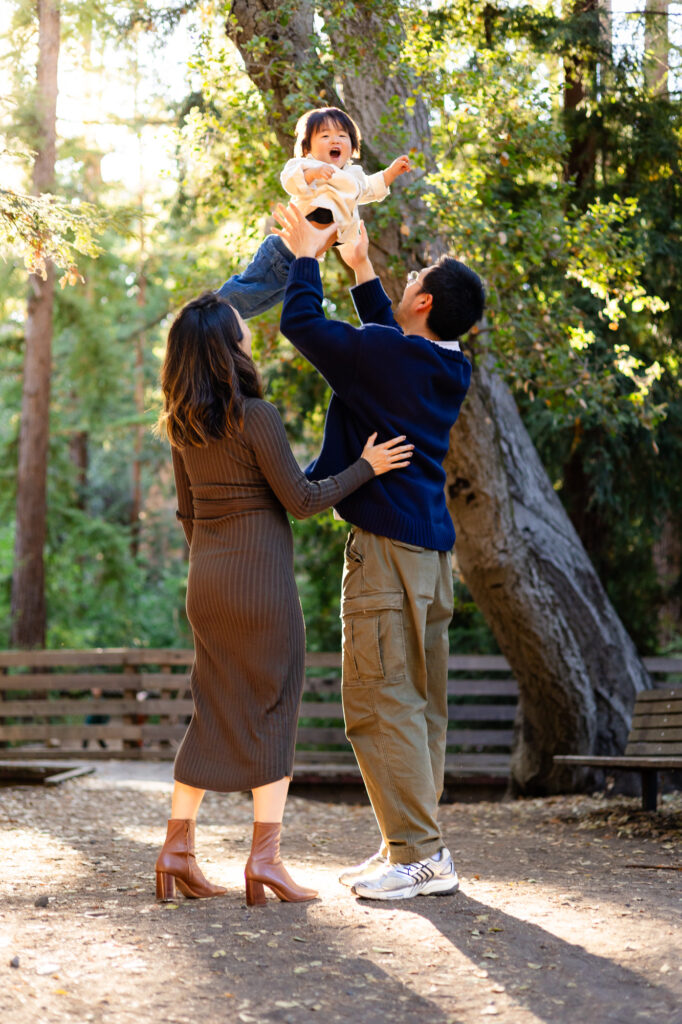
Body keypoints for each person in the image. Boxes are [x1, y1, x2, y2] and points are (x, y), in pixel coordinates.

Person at [154, 291, 413, 906]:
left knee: (212, 708)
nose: (248, 341)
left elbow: (189, 514)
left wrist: (214, 562)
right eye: (242, 334)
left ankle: (176, 847)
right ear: (226, 350)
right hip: (261, 584)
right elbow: (300, 500)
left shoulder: (179, 425)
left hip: (207, 585)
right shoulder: (255, 417)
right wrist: (366, 467)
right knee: (273, 710)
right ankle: (264, 860)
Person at [272, 204, 485, 901]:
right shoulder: (451, 366)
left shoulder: (389, 355)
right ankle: (409, 842)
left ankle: (422, 856)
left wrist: (308, 252)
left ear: (421, 300)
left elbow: (302, 324)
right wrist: (361, 266)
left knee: (380, 699)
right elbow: (390, 345)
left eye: (413, 274)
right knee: (419, 704)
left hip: (388, 553)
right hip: (430, 554)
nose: (407, 276)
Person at [217, 106, 410, 319]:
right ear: (308, 147)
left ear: (353, 145)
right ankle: (205, 312)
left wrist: (391, 172)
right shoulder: (307, 165)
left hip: (304, 263)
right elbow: (289, 179)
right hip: (282, 253)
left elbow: (372, 187)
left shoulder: (353, 176)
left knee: (251, 306)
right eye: (325, 135)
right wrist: (311, 174)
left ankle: (219, 325)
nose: (334, 140)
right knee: (243, 293)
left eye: (342, 136)